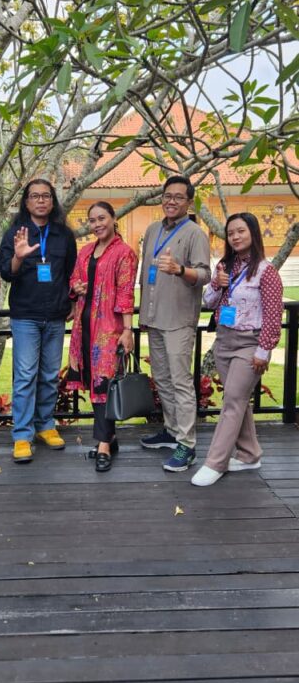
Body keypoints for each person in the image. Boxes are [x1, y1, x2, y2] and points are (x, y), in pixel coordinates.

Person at [191, 212, 283, 487]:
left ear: (253, 232)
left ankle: (215, 462)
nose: (235, 237)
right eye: (231, 233)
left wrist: (263, 351)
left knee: (232, 400)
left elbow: (273, 315)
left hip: (249, 343)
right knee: (238, 400)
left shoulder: (266, 272)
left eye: (241, 231)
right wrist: (216, 285)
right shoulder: (225, 266)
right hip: (224, 340)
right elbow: (209, 302)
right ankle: (249, 454)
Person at [0, 179, 77, 463]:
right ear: (26, 202)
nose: (41, 200)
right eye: (35, 196)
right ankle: (22, 434)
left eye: (46, 196)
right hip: (26, 316)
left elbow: (71, 272)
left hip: (56, 315)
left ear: (53, 201)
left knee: (49, 375)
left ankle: (45, 425)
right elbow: (6, 273)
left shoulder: (63, 235)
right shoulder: (15, 233)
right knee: (25, 376)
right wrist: (19, 257)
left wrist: (72, 301)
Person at [139, 175, 211, 472]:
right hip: (154, 318)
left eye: (178, 197)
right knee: (163, 380)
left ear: (189, 202)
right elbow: (145, 273)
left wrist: (180, 269)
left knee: (180, 383)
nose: (171, 201)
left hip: (179, 320)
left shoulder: (195, 234)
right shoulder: (152, 230)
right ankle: (171, 431)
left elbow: (204, 275)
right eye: (167, 195)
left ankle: (187, 445)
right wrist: (144, 316)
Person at [68, 203, 138, 472]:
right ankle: (110, 438)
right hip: (84, 327)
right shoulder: (85, 251)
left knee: (103, 386)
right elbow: (74, 281)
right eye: (92, 220)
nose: (97, 224)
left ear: (113, 218)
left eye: (102, 218)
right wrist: (76, 287)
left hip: (109, 330)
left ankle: (104, 445)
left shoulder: (124, 253)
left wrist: (128, 331)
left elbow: (126, 294)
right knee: (93, 383)